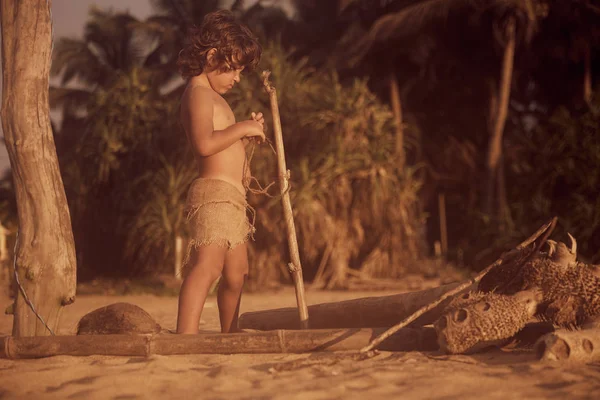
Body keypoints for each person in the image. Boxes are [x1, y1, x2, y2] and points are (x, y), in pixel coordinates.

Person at [176, 10, 264, 334]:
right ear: (212, 56)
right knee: (208, 266)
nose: (237, 78)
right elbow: (203, 144)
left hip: (232, 200)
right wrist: (242, 127)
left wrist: (248, 134)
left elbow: (226, 145)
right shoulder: (198, 94)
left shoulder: (214, 96)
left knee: (237, 272)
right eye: (232, 69)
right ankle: (185, 336)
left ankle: (230, 333)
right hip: (213, 195)